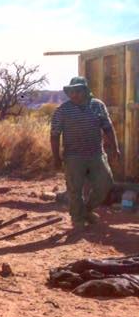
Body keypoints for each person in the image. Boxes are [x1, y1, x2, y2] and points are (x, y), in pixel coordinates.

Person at [50, 76, 120, 230]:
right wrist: (56, 158)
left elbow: (108, 127)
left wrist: (115, 147)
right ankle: (77, 219)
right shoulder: (62, 110)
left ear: (86, 91)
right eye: (71, 91)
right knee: (75, 189)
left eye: (78, 91)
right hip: (73, 156)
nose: (74, 94)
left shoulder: (98, 106)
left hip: (96, 154)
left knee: (105, 183)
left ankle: (87, 210)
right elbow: (54, 135)